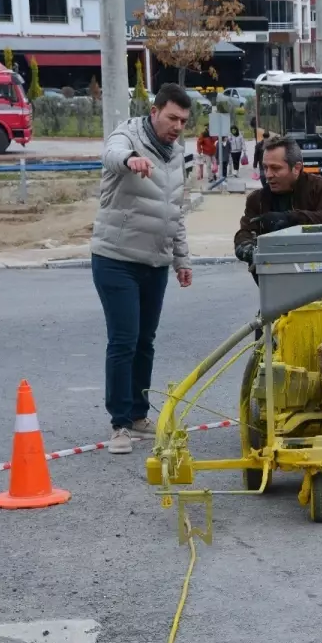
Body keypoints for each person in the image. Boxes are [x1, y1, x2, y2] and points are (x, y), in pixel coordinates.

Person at [92, 83, 194, 455]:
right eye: (171, 117)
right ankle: (119, 423)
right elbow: (111, 154)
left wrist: (181, 259)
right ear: (154, 112)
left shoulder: (175, 153)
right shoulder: (128, 136)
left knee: (145, 341)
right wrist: (128, 161)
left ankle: (138, 415)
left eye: (183, 120)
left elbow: (176, 213)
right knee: (124, 340)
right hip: (116, 259)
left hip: (156, 262)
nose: (177, 126)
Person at [233, 135, 322, 287]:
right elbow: (245, 231)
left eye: (276, 168)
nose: (268, 175)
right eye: (265, 167)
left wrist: (289, 219)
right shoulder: (256, 199)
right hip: (275, 287)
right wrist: (246, 248)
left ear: (296, 168)